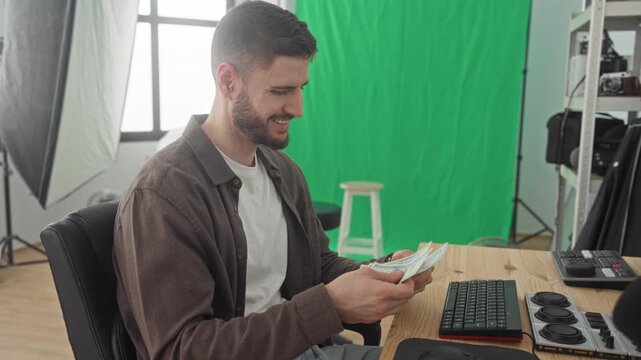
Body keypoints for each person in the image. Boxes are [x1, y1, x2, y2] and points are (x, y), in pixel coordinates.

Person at [113, 2, 433, 359]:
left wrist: (384, 272)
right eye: (281, 91)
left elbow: (318, 265)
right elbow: (183, 351)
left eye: (300, 89)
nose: (298, 108)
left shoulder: (283, 172)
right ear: (228, 81)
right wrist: (330, 307)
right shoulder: (162, 196)